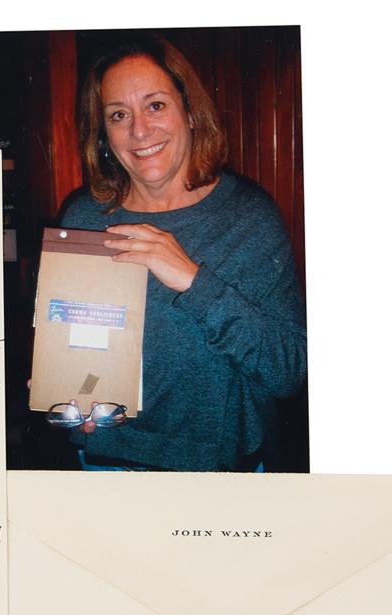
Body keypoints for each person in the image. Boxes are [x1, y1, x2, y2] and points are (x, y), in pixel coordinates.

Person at [59, 33, 307, 471]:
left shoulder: (249, 217)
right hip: (107, 463)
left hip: (218, 475)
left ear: (190, 112)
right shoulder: (83, 218)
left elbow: (289, 370)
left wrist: (194, 282)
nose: (139, 130)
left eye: (156, 105)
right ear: (104, 133)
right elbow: (74, 353)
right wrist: (65, 392)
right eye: (118, 115)